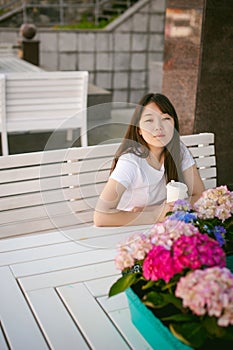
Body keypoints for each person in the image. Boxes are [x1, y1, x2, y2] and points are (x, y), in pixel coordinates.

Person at [94, 93, 205, 227]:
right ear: (139, 129)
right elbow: (100, 217)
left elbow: (200, 195)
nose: (158, 127)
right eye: (149, 120)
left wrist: (153, 210)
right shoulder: (131, 161)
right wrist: (155, 215)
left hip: (163, 226)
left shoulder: (179, 150)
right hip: (130, 229)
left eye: (165, 118)